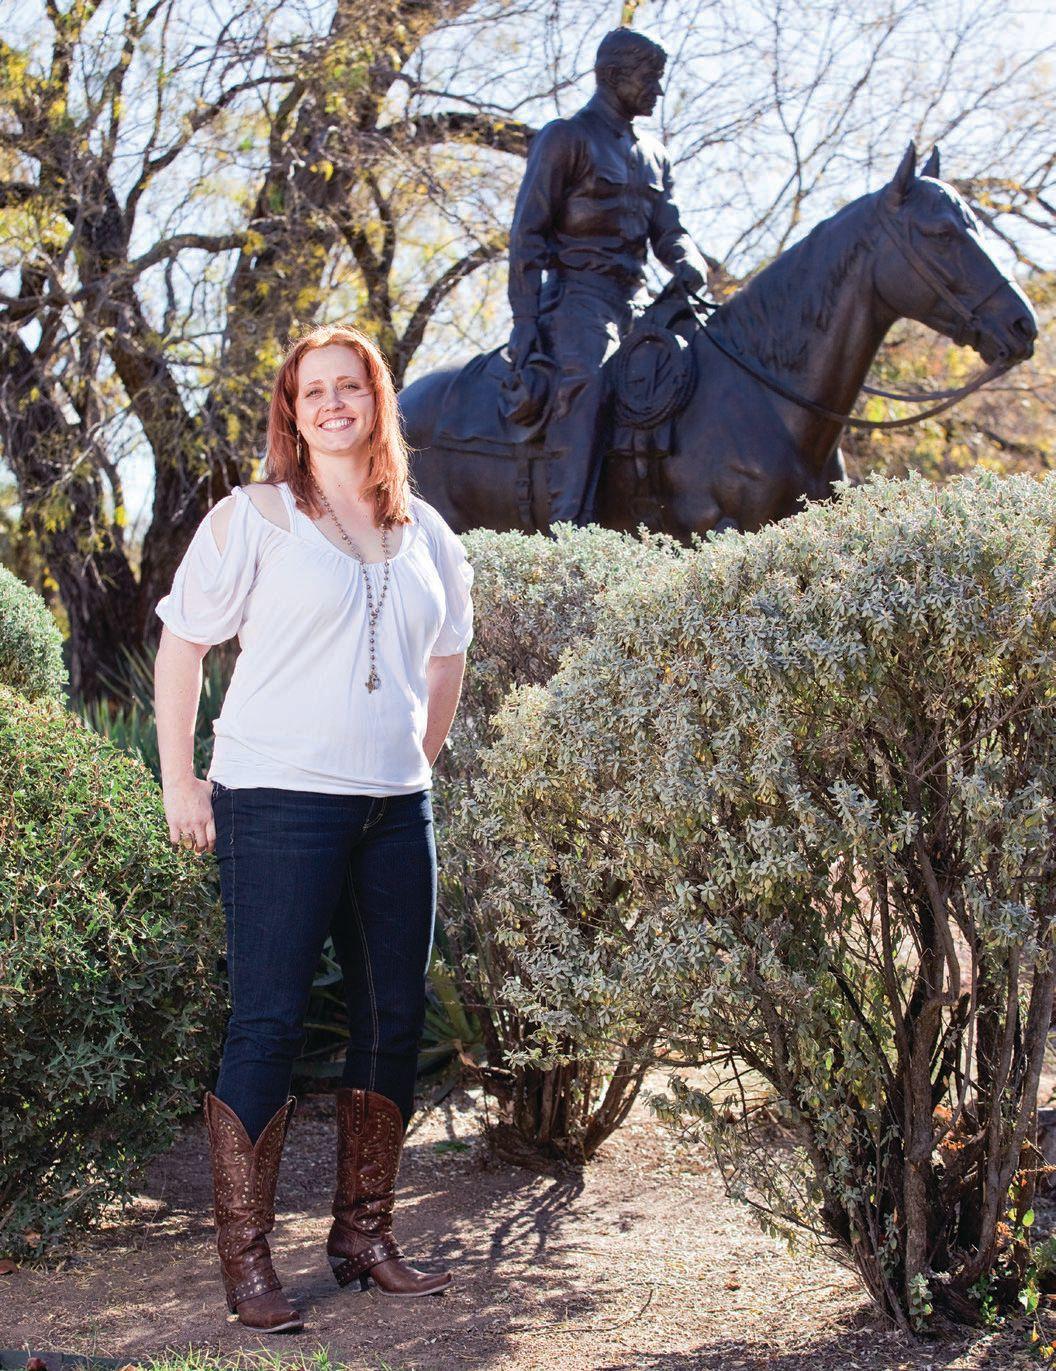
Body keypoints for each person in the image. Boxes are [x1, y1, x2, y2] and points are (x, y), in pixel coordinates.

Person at [153, 323, 473, 1333]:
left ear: (378, 400)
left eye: (351, 385)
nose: (335, 402)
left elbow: (449, 656)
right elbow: (182, 646)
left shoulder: (428, 531)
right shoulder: (254, 518)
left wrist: (418, 758)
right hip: (277, 801)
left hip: (395, 810)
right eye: (314, 390)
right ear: (292, 413)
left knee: (391, 1021)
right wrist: (180, 781)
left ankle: (364, 1237)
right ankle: (248, 1264)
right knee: (269, 1024)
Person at [506, 27, 710, 527]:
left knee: (710, 366)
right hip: (579, 300)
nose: (657, 90)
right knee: (588, 382)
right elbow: (528, 233)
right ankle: (568, 527)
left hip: (639, 305)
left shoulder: (654, 154)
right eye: (649, 78)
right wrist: (525, 320)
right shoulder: (566, 138)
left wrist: (690, 261)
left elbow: (670, 230)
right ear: (613, 76)